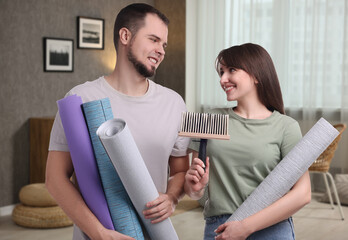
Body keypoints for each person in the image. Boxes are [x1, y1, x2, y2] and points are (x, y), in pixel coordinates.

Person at [45, 3, 190, 240]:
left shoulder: (174, 103)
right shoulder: (80, 99)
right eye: (153, 39)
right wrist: (99, 233)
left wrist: (172, 198)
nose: (161, 50)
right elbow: (55, 179)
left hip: (156, 232)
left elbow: (180, 171)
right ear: (125, 36)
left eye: (164, 44)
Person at [184, 43, 311, 240]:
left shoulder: (286, 127)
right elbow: (194, 193)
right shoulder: (209, 119)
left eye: (231, 70)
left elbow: (302, 193)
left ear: (256, 75)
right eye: (221, 72)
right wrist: (194, 188)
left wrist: (246, 227)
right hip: (220, 228)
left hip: (272, 228)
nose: (223, 79)